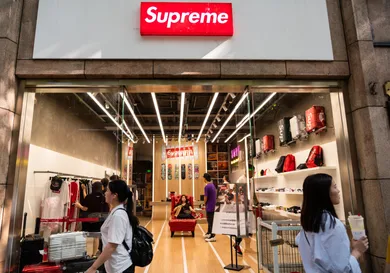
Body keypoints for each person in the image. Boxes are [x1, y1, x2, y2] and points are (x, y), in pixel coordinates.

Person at [296, 174, 369, 273]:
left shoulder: (308, 224)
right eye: (334, 187)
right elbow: (342, 269)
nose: (338, 191)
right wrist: (357, 251)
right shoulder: (333, 225)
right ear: (324, 193)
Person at [85, 180, 139, 273]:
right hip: (115, 266)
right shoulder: (116, 212)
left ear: (114, 195)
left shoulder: (118, 215)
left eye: (108, 191)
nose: (105, 193)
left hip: (120, 267)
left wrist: (93, 267)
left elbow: (112, 246)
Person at [75, 182, 109, 256]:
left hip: (88, 221)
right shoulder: (104, 198)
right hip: (99, 221)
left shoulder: (89, 197)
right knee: (96, 237)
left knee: (88, 236)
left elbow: (85, 208)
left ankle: (87, 253)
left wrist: (79, 206)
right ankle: (94, 254)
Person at [234, 164, 256, 255]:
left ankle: (247, 247)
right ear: (247, 171)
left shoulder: (251, 180)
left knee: (250, 229)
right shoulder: (241, 180)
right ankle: (237, 244)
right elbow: (237, 195)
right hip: (242, 209)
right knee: (243, 228)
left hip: (249, 207)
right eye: (252, 172)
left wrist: (256, 203)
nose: (253, 174)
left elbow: (252, 193)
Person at [203, 173, 217, 242]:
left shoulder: (207, 186)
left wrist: (204, 203)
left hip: (209, 206)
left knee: (210, 221)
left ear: (205, 178)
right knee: (210, 220)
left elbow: (206, 197)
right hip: (213, 205)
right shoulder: (212, 185)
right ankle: (209, 232)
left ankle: (212, 236)